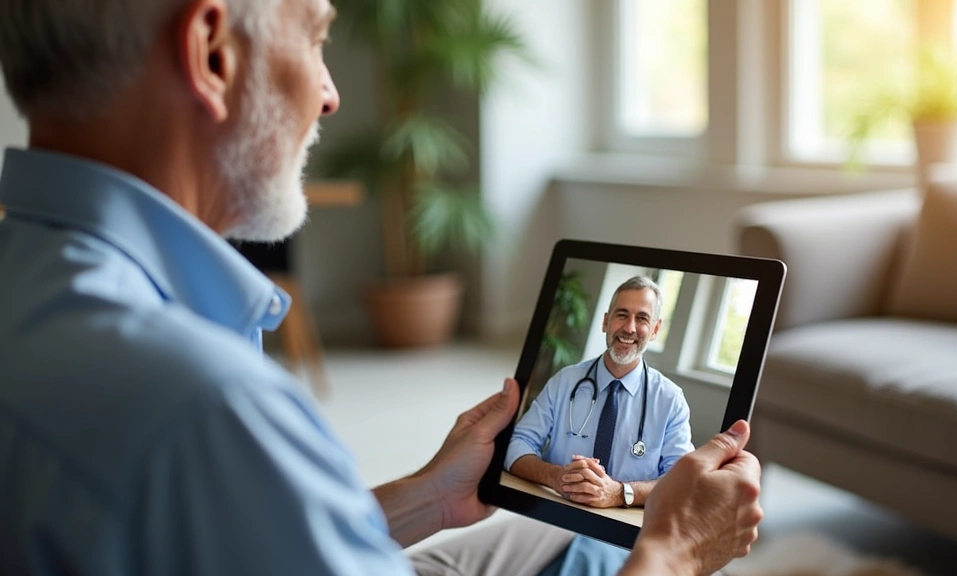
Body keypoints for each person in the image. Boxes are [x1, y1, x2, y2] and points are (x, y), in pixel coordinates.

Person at [0, 1, 762, 576]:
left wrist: (429, 495)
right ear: (212, 55)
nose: (329, 93)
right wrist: (674, 553)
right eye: (317, 36)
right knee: (602, 559)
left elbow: (249, 541)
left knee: (568, 537)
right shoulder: (210, 407)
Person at [506, 275, 693, 509]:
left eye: (642, 318)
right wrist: (554, 476)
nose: (629, 328)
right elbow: (516, 443)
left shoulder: (670, 400)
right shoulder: (565, 381)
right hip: (556, 508)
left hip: (622, 524)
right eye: (622, 315)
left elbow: (683, 480)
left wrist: (621, 493)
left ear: (655, 329)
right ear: (606, 322)